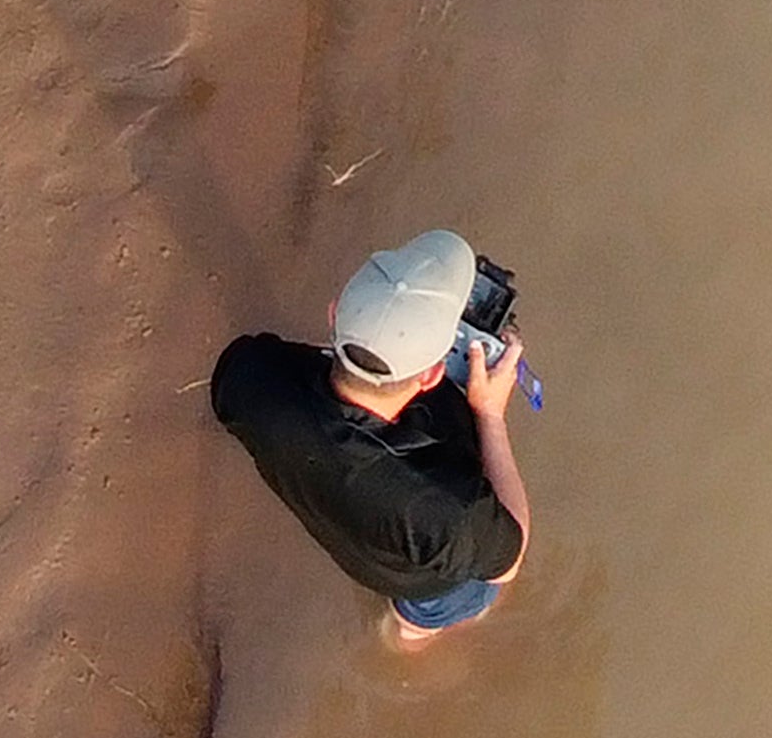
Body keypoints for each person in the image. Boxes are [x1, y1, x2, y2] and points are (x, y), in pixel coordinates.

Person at [213, 231, 535, 646]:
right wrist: (489, 414)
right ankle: (413, 635)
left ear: (334, 315)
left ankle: (410, 627)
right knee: (438, 610)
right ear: (432, 375)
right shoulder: (447, 513)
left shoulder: (247, 376)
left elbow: (253, 378)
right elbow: (507, 561)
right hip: (423, 580)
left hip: (351, 537)